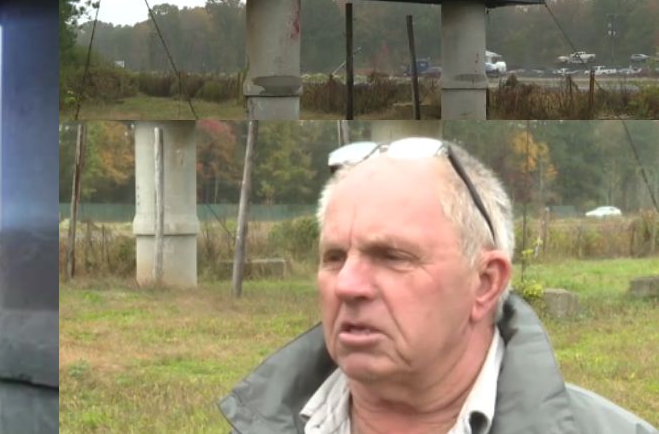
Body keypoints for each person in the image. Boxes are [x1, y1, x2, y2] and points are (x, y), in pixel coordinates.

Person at [219, 138, 657, 434]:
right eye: (334, 258)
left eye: (392, 257)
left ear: (485, 284)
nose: (348, 286)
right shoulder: (263, 422)